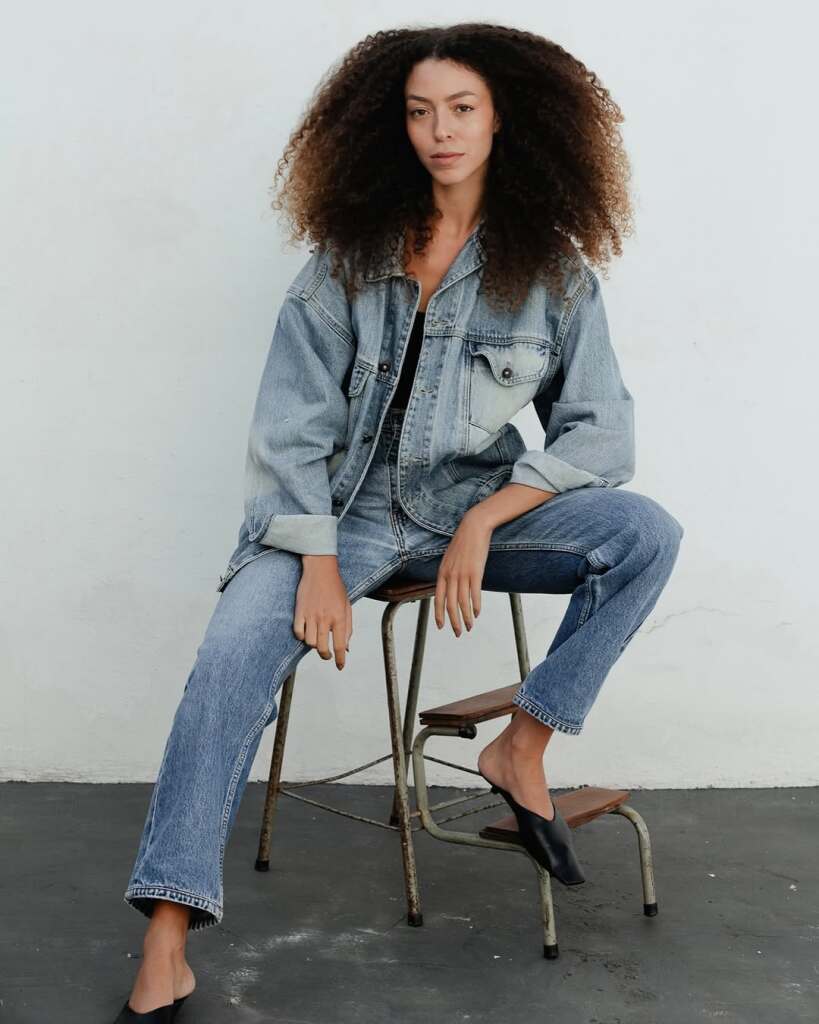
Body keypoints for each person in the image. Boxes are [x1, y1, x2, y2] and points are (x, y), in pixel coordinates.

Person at [113, 22, 684, 1021]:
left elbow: (602, 434)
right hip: (336, 517)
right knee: (228, 664)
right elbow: (289, 432)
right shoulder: (344, 262)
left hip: (470, 511)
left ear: (505, 119)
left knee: (646, 533)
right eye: (420, 112)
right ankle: (167, 933)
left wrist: (487, 519)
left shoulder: (551, 275)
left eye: (461, 109)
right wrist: (319, 563)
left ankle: (523, 746)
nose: (440, 131)